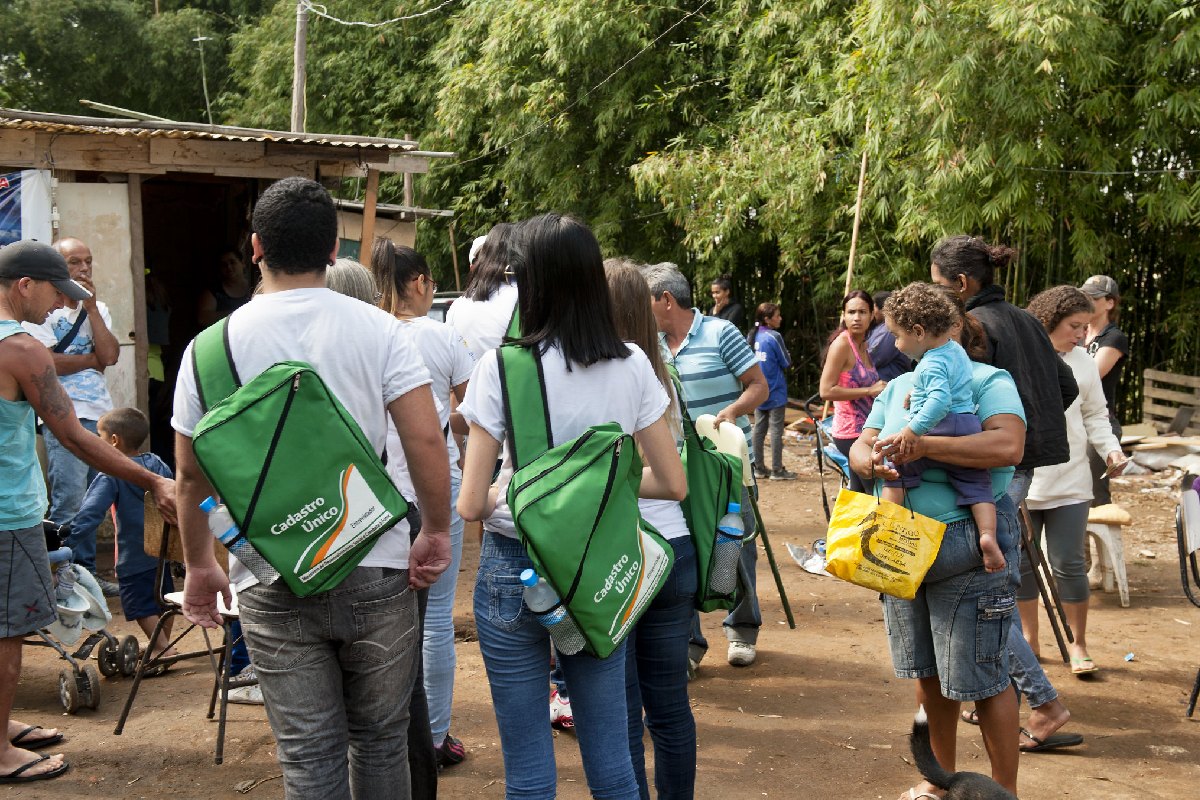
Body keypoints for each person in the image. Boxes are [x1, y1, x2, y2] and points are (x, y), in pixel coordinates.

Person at [172, 177, 451, 799]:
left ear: (254, 248)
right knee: (380, 741)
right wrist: (433, 530)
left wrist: (198, 564)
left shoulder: (207, 349)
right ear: (334, 252)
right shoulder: (380, 331)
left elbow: (192, 475)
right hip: (375, 561)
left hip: (272, 573)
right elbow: (425, 442)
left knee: (306, 756)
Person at [457, 213, 686, 799]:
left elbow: (470, 505)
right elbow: (673, 484)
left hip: (514, 568)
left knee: (529, 775)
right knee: (613, 767)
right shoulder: (635, 365)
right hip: (600, 570)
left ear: (529, 282)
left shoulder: (501, 367)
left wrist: (532, 494)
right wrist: (596, 489)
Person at [0, 239, 176, 785]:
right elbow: (74, 437)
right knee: (9, 630)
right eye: (55, 291)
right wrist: (151, 477)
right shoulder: (22, 348)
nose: (57, 305)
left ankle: (1, 728)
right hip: (7, 512)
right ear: (24, 285)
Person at [849, 284, 1023, 798]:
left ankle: (1001, 792)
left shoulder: (988, 379)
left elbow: (1008, 444)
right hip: (901, 546)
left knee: (984, 677)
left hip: (966, 544)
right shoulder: (900, 386)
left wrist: (923, 445)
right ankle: (941, 781)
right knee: (928, 671)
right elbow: (860, 445)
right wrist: (871, 459)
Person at [930, 235, 1083, 755]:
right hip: (1022, 466)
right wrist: (1031, 431)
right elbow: (1067, 388)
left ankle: (1044, 706)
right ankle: (1005, 693)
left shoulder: (975, 329)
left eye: (936, 286)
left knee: (987, 594)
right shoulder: (1023, 320)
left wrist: (1006, 434)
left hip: (995, 469)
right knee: (998, 587)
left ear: (959, 284)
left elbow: (962, 403)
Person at [326, 256, 440, 799]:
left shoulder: (333, 352)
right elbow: (428, 437)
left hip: (339, 528)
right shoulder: (383, 342)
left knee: (351, 707)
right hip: (395, 523)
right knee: (398, 690)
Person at [371, 240, 476, 769]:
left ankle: (390, 736)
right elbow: (470, 414)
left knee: (380, 615)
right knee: (435, 621)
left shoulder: (367, 332)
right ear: (420, 284)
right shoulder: (442, 337)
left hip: (376, 491)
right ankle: (433, 738)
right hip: (437, 486)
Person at [640, 262, 768, 672]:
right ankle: (690, 645)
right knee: (685, 549)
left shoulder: (720, 332)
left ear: (666, 300)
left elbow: (758, 386)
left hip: (731, 466)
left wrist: (731, 412)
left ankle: (742, 629)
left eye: (645, 301)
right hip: (677, 469)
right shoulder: (651, 346)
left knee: (737, 545)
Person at [606, 259, 697, 799]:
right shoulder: (662, 366)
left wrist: (596, 482)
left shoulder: (607, 370)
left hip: (623, 554)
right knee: (669, 707)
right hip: (675, 547)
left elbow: (668, 478)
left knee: (624, 707)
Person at [1022, 286, 1125, 675]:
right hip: (1024, 480)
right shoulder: (1021, 356)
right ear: (1049, 321)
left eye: (1085, 326)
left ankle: (1078, 644)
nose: (1082, 334)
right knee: (1023, 565)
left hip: (1072, 480)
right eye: (1074, 326)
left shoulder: (1083, 361)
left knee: (1068, 562)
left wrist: (1112, 450)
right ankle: (1031, 641)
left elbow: (1096, 414)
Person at [878, 283, 1003, 573]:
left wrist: (913, 431)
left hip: (942, 424)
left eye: (897, 336)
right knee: (976, 484)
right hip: (967, 424)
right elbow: (951, 383)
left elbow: (940, 400)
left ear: (919, 332)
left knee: (897, 466)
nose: (896, 344)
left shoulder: (929, 363)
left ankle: (886, 525)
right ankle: (987, 535)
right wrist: (916, 392)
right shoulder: (954, 350)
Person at [22, 237, 119, 594]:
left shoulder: (99, 309)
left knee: (95, 499)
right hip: (62, 415)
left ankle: (86, 575)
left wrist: (91, 309)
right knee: (69, 499)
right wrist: (91, 360)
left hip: (100, 415)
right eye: (75, 262)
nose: (84, 268)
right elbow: (47, 363)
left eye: (88, 261)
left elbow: (109, 356)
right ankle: (64, 580)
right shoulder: (43, 311)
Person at [68, 407, 177, 668]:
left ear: (114, 441)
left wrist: (66, 541)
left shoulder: (110, 474)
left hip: (132, 556)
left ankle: (162, 650)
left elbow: (90, 515)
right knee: (163, 598)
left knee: (139, 604)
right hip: (162, 550)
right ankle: (162, 644)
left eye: (99, 437)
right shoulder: (157, 464)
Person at [819, 290, 886, 494]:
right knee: (876, 493)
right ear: (844, 315)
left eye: (862, 312)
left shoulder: (864, 344)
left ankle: (843, 526)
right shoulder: (842, 344)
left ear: (872, 315)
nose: (856, 318)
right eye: (851, 312)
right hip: (850, 433)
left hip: (865, 429)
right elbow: (826, 390)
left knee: (858, 494)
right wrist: (869, 390)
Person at [1079, 275, 1128, 506]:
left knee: (1095, 495)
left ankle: (1100, 543)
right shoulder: (1077, 333)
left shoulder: (1114, 338)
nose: (1087, 300)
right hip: (1073, 423)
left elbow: (1090, 376)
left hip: (1100, 423)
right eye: (1085, 295)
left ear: (1110, 303)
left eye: (1094, 297)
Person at [445, 222, 519, 355]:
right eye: (478, 259)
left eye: (486, 257)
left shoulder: (457, 307)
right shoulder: (521, 298)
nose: (484, 263)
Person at [747, 302, 796, 481]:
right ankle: (777, 470)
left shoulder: (753, 336)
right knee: (776, 430)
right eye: (777, 315)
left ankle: (758, 467)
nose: (780, 318)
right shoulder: (774, 336)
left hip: (757, 390)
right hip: (775, 390)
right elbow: (786, 362)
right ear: (767, 319)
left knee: (759, 428)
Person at [197, 247, 252, 327]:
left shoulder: (256, 287)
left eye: (232, 262)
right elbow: (203, 319)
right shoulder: (214, 291)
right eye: (224, 265)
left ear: (242, 263)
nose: (228, 267)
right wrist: (239, 314)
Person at [868, 289, 914, 381]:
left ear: (880, 308)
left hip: (890, 382)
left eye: (873, 308)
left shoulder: (889, 329)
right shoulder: (878, 327)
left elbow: (875, 357)